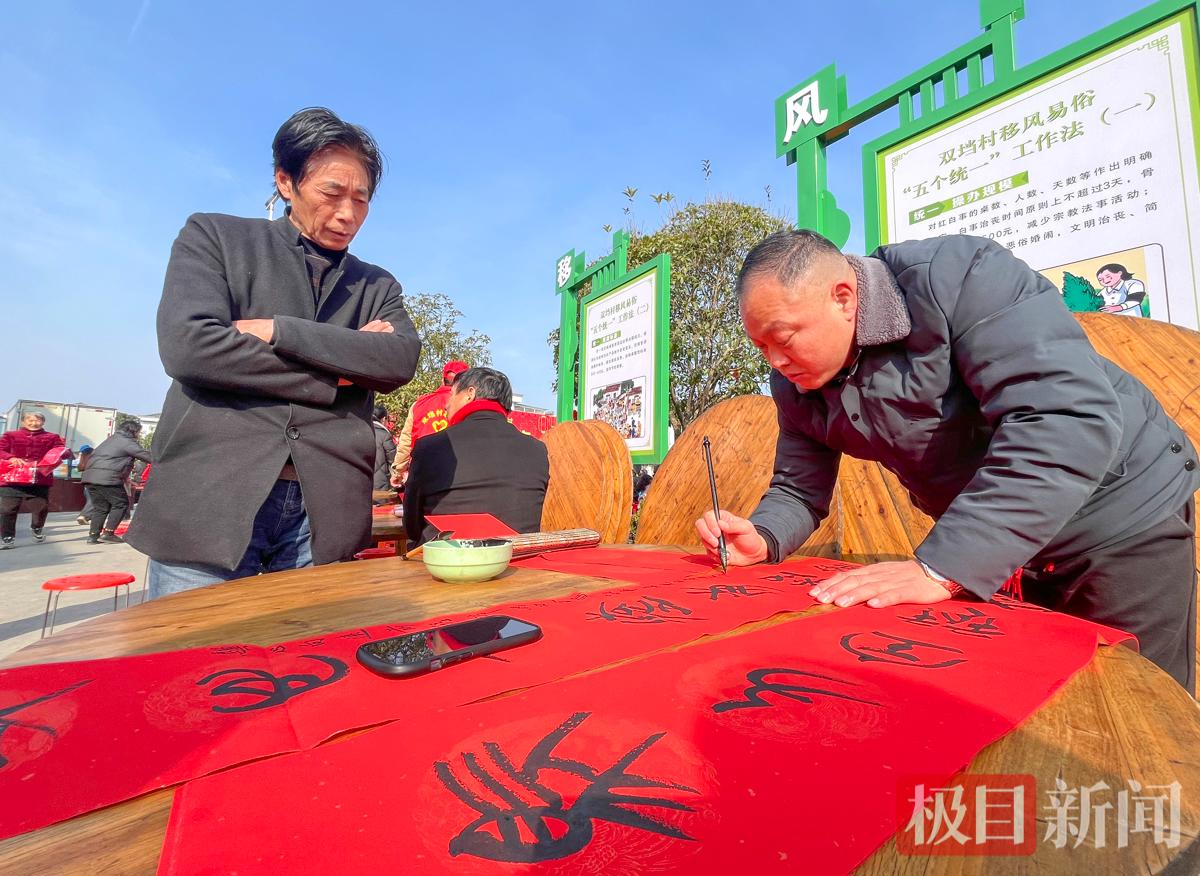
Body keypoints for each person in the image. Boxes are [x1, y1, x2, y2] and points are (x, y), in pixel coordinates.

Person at [696, 230, 1199, 694]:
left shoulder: (960, 278)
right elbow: (798, 488)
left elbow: (1061, 418)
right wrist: (763, 537)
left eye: (783, 338)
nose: (775, 363)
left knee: (1137, 710)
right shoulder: (797, 383)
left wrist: (943, 567)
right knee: (1038, 704)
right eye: (760, 347)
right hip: (1002, 548)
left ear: (844, 298)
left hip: (1119, 512)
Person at [127, 107, 421, 597]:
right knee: (189, 664)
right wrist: (340, 374)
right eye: (331, 192)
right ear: (286, 181)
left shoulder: (376, 284)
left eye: (361, 199)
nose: (347, 214)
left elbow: (397, 361)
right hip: (211, 499)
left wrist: (277, 330)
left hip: (323, 510)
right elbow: (190, 347)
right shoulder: (215, 238)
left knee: (312, 666)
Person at [404, 367, 549, 546]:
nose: (446, 404)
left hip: (446, 565)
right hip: (520, 564)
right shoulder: (537, 450)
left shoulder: (429, 447)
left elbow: (411, 526)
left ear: (469, 394)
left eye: (452, 394)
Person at [389, 360, 470, 486]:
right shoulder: (469, 404)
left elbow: (406, 442)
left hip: (424, 472)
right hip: (458, 473)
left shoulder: (419, 404)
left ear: (443, 380)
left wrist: (398, 471)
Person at [0, 413, 66, 549]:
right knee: (8, 510)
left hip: (39, 478)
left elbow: (61, 451)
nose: (34, 423)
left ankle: (37, 528)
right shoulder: (10, 435)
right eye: (30, 420)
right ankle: (7, 538)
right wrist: (11, 457)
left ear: (43, 422)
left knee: (41, 508)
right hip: (12, 479)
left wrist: (60, 454)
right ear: (23, 421)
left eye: (37, 420)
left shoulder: (52, 437)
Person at [82, 422, 153, 544]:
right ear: (133, 431)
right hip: (108, 478)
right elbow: (145, 456)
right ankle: (108, 533)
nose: (139, 435)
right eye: (139, 432)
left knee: (100, 507)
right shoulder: (126, 442)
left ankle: (93, 536)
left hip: (90, 477)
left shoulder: (111, 440)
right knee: (121, 504)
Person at [372, 405, 396, 492]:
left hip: (363, 481)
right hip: (380, 483)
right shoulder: (384, 435)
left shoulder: (362, 432)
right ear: (383, 419)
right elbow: (393, 460)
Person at [75, 444, 95, 524]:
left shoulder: (83, 458)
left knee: (89, 498)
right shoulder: (94, 457)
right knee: (93, 499)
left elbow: (80, 468)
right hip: (95, 480)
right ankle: (84, 516)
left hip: (86, 480)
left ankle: (87, 517)